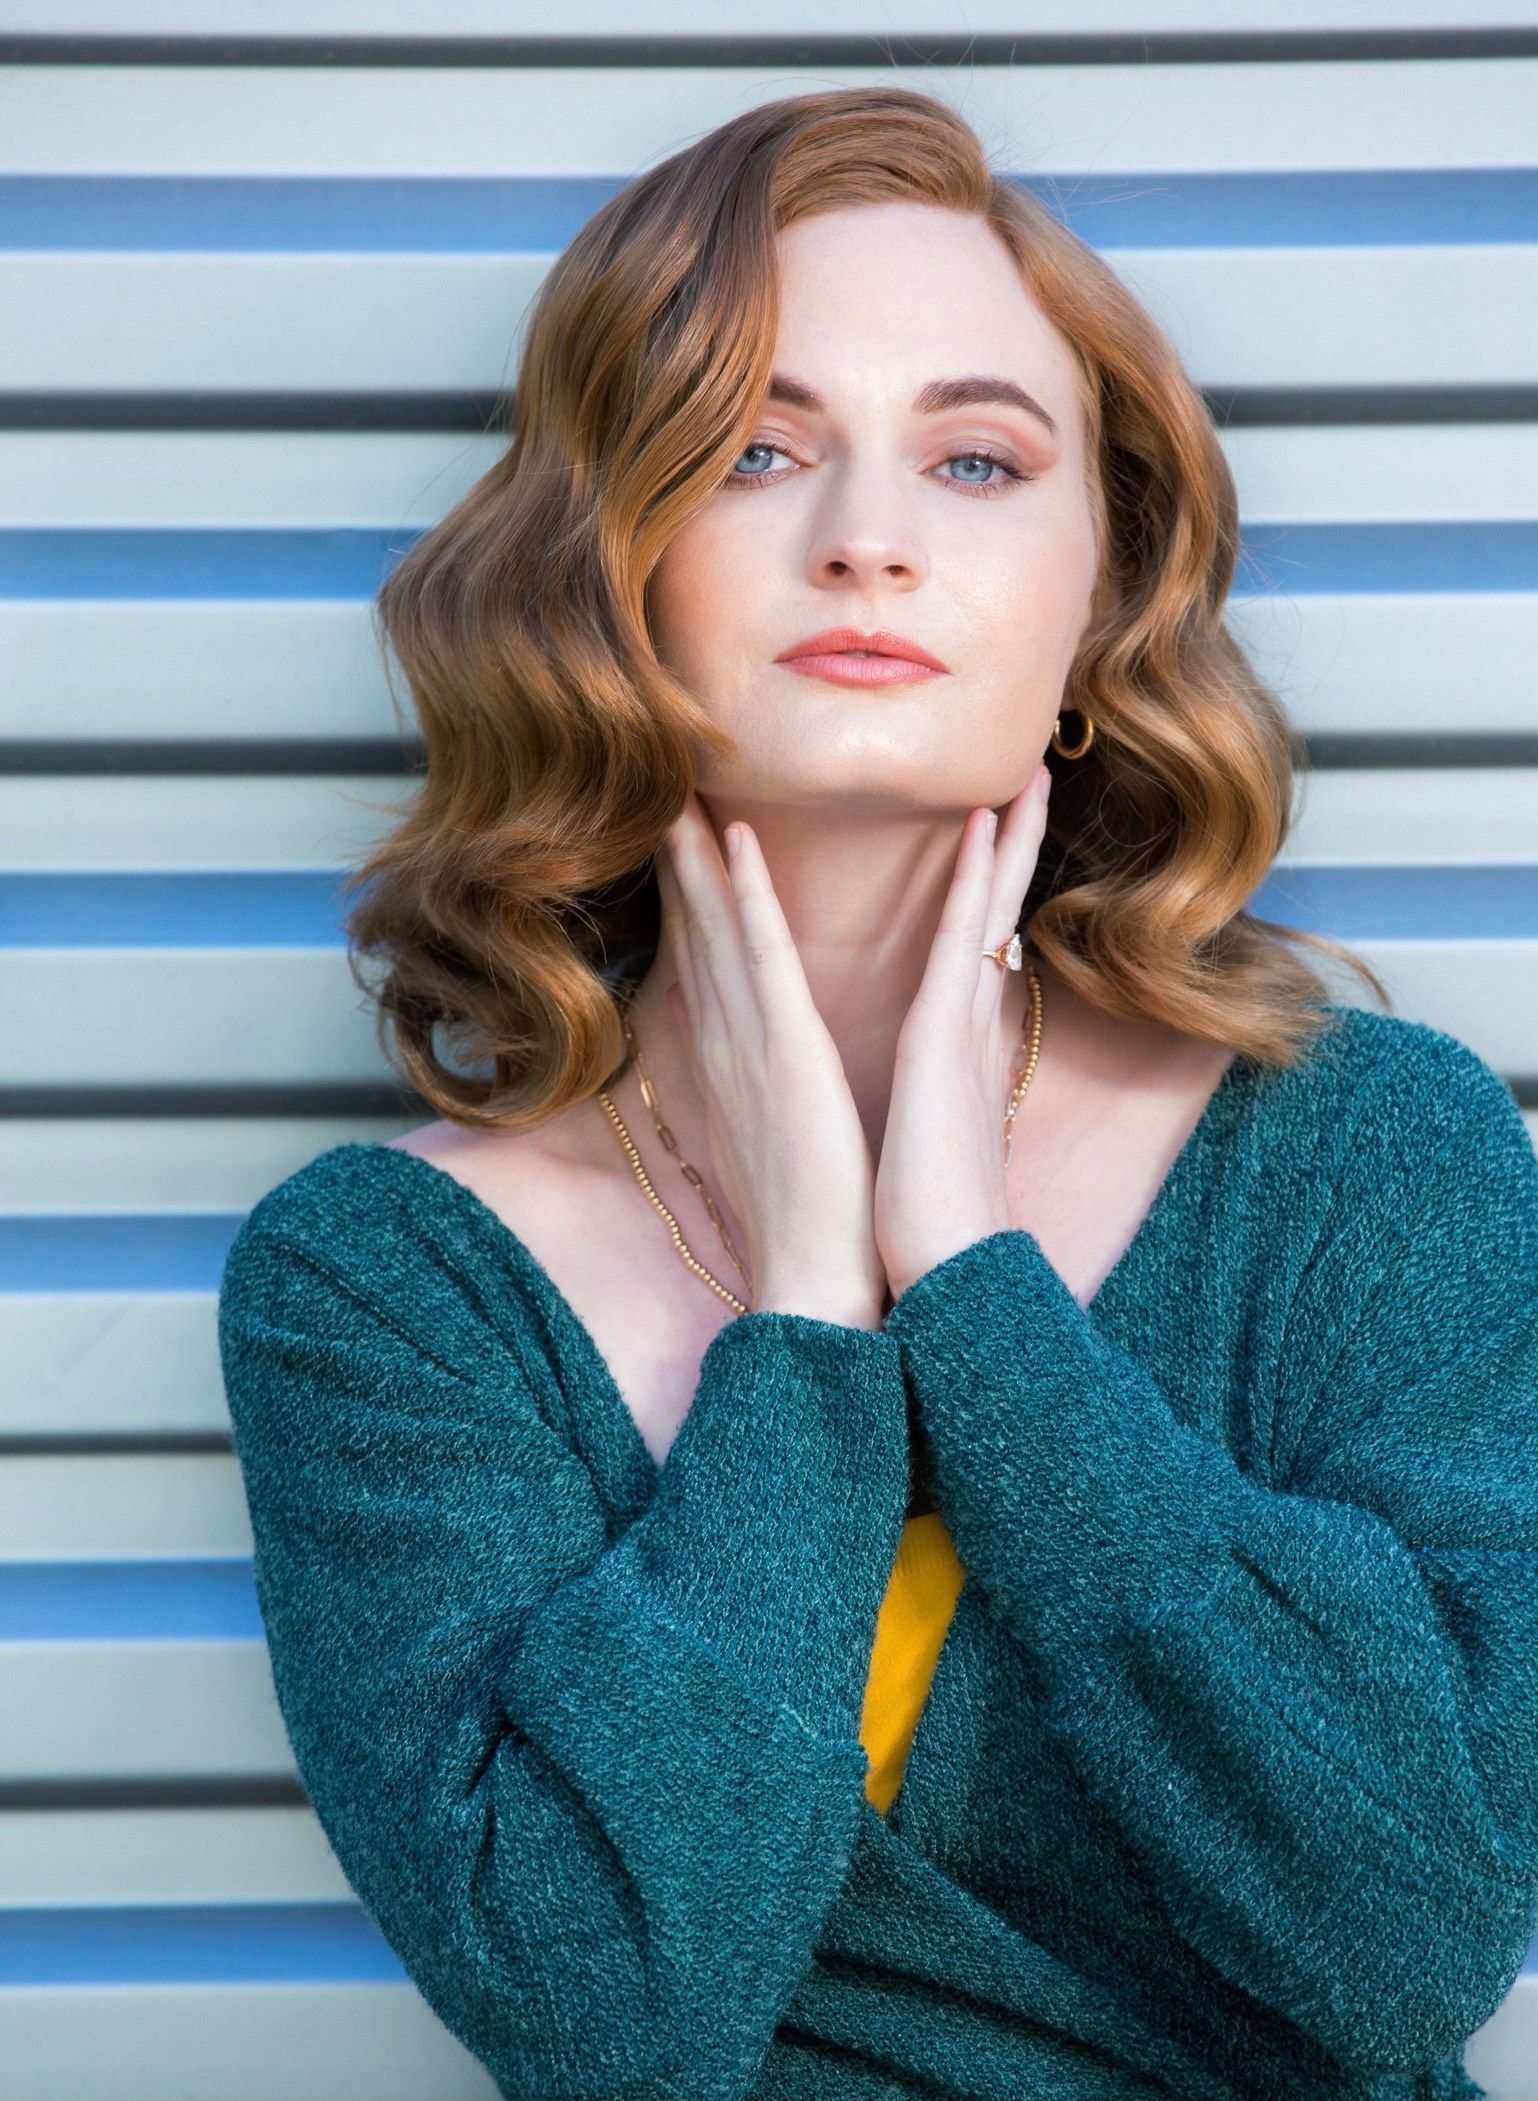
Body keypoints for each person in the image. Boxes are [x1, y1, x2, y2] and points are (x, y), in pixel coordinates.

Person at [216, 85, 1538, 2100]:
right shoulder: (390, 1285)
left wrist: (979, 1289)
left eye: (978, 458)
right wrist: (809, 1315)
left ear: (1100, 606)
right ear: (603, 573)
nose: (867, 536)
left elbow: (1403, 1946)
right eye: (754, 448)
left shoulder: (1371, 1157)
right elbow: (610, 2022)